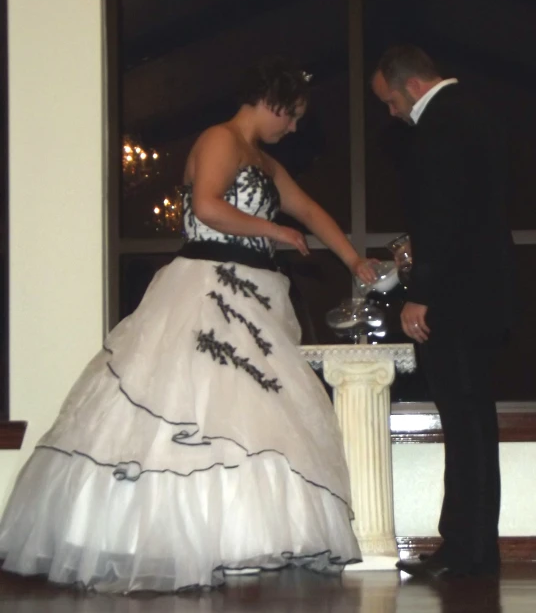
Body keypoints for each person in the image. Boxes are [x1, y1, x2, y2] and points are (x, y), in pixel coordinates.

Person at [0, 56, 377, 593]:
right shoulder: (220, 139)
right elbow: (207, 207)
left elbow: (311, 211)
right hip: (205, 287)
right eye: (290, 115)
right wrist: (273, 230)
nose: (292, 127)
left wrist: (353, 260)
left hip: (254, 295)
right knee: (190, 405)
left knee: (253, 416)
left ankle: (237, 537)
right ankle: (161, 541)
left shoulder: (265, 162)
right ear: (270, 101)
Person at [372, 45, 514, 578]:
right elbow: (471, 214)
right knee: (473, 421)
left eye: (389, 102)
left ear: (410, 87)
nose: (391, 114)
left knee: (465, 422)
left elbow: (446, 214)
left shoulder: (439, 125)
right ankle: (472, 548)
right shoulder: (477, 113)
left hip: (456, 300)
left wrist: (420, 289)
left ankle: (465, 551)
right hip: (484, 294)